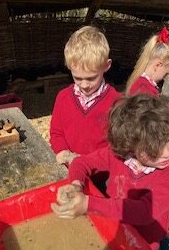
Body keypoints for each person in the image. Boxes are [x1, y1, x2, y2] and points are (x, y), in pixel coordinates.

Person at [51, 94, 169, 250]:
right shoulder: (118, 155)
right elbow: (81, 163)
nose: (167, 153)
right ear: (130, 147)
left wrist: (88, 204)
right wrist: (75, 185)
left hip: (145, 242)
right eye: (153, 151)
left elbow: (146, 211)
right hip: (112, 227)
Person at [50, 25, 121, 165]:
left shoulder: (117, 103)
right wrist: (63, 152)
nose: (84, 85)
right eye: (77, 78)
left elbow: (118, 145)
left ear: (106, 66)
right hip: (69, 168)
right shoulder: (63, 97)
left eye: (91, 78)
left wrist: (88, 163)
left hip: (101, 174)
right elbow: (56, 133)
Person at [125, 26, 169, 97]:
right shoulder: (144, 91)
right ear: (158, 65)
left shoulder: (144, 85)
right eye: (166, 73)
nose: (164, 78)